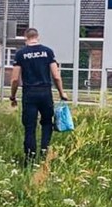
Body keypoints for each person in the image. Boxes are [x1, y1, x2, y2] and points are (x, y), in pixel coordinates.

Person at [10, 28, 68, 166]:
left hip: (29, 93)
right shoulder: (47, 52)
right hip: (45, 92)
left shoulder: (20, 54)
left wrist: (12, 96)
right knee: (47, 123)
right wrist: (61, 93)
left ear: (26, 37)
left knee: (30, 126)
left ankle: (30, 159)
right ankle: (44, 154)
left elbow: (14, 79)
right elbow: (56, 76)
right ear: (37, 37)